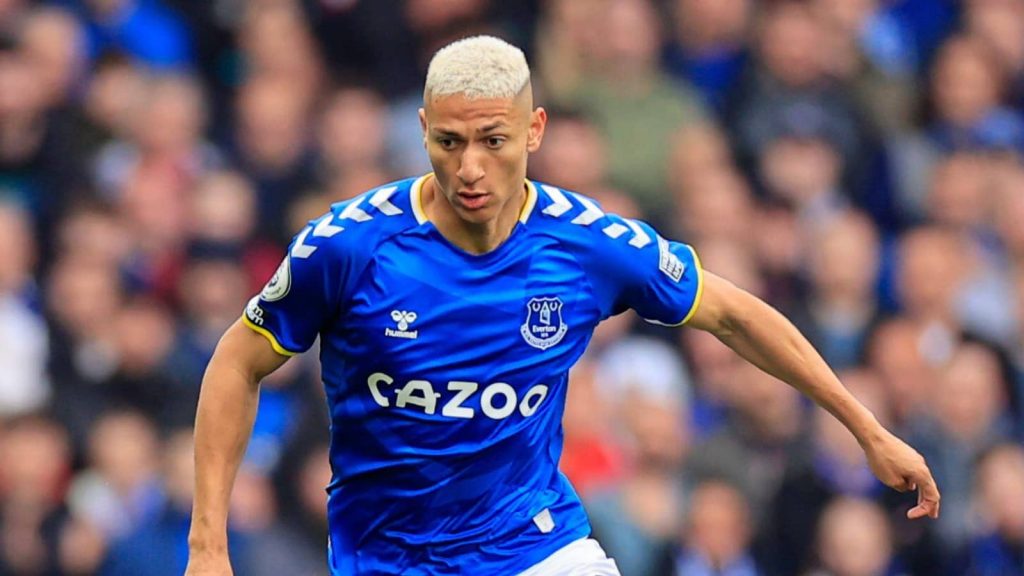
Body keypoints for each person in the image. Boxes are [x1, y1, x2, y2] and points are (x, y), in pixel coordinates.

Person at [185, 36, 940, 575]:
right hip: (388, 556)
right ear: (421, 132)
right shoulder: (350, 246)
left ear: (534, 130)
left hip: (533, 545)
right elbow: (236, 363)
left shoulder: (586, 243)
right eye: (448, 142)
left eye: (492, 139)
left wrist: (866, 429)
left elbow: (737, 315)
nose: (470, 167)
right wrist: (208, 548)